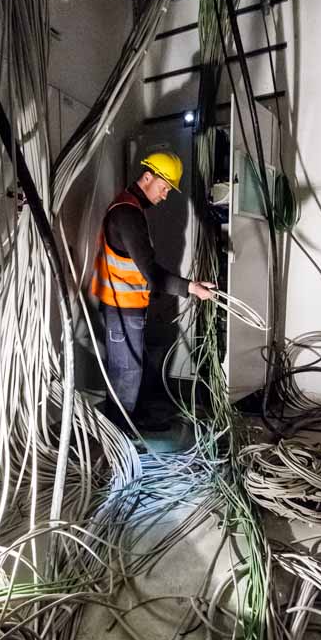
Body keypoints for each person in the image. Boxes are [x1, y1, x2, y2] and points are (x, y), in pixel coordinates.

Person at [91, 150, 215, 431]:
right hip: (121, 309)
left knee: (135, 367)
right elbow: (153, 275)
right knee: (127, 373)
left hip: (124, 305)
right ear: (147, 177)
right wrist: (191, 288)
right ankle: (119, 438)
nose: (165, 196)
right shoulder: (127, 214)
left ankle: (134, 419)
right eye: (164, 188)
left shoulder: (130, 208)